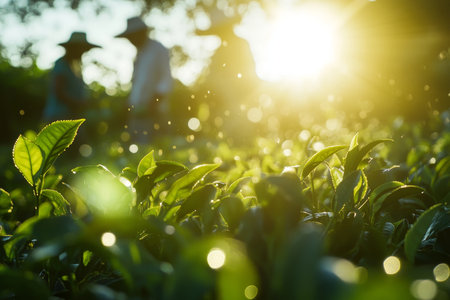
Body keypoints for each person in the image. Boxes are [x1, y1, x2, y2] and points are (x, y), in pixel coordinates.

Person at [116, 16, 173, 143]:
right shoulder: (139, 54)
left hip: (155, 111)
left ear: (142, 33)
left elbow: (166, 79)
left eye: (132, 36)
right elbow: (137, 84)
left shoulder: (158, 49)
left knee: (157, 147)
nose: (131, 40)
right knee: (137, 149)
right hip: (137, 112)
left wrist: (154, 103)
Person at [43, 31, 100, 122]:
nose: (82, 53)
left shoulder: (76, 67)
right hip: (59, 117)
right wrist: (78, 103)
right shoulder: (61, 64)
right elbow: (58, 91)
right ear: (72, 48)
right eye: (80, 49)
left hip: (73, 116)